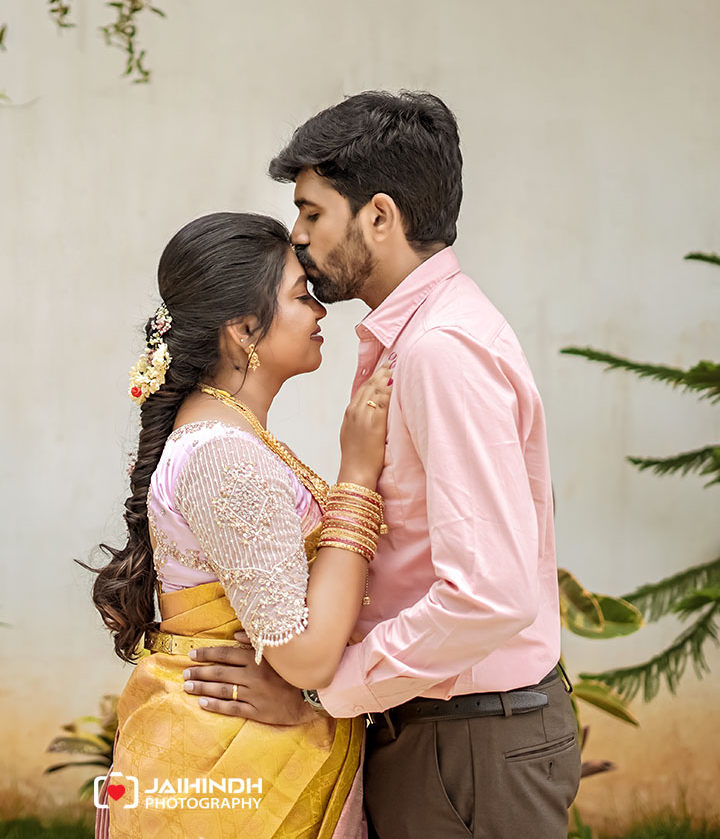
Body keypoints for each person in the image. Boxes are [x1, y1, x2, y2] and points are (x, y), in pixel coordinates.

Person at [184, 91, 581, 839]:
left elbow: (490, 593)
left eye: (312, 213)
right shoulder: (418, 338)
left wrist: (327, 690)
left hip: (468, 743)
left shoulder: (440, 350)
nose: (298, 237)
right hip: (443, 731)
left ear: (379, 217)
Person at [87, 211, 396, 838]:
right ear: (243, 329)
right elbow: (304, 656)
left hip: (235, 748)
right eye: (301, 295)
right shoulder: (223, 456)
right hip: (234, 766)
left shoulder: (228, 438)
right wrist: (358, 475)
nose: (321, 310)